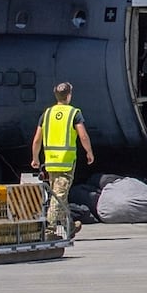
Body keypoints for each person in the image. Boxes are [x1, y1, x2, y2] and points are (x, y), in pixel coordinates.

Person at [31, 81, 95, 239]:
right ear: (69, 95)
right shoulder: (74, 113)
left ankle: (70, 226)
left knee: (60, 194)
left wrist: (35, 158)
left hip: (50, 163)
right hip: (66, 162)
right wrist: (89, 152)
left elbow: (37, 139)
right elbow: (83, 135)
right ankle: (50, 230)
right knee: (58, 195)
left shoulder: (47, 114)